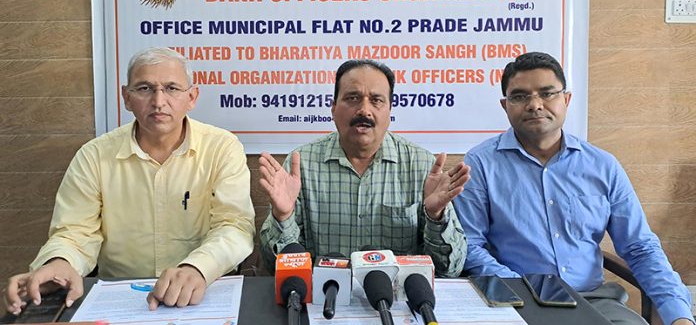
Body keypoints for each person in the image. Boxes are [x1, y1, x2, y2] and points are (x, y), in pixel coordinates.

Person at [4, 47, 255, 314]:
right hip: (120, 295)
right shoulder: (95, 156)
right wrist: (60, 262)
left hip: (202, 291)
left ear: (192, 97)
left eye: (171, 88)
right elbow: (74, 232)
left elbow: (234, 225)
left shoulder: (221, 148)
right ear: (126, 97)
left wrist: (197, 268)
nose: (159, 101)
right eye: (145, 89)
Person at [453, 52, 694, 325]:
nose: (535, 105)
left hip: (593, 299)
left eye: (547, 93)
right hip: (516, 299)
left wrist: (679, 314)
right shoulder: (481, 163)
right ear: (505, 105)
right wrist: (521, 287)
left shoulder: (602, 165)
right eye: (520, 96)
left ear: (566, 100)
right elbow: (469, 245)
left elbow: (640, 247)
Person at [258, 59, 469, 277]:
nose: (364, 110)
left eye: (376, 100)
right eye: (352, 98)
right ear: (333, 107)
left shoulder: (422, 166)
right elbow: (274, 264)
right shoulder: (300, 166)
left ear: (389, 111)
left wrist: (435, 215)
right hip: (324, 300)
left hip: (398, 302)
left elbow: (450, 269)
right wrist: (283, 217)